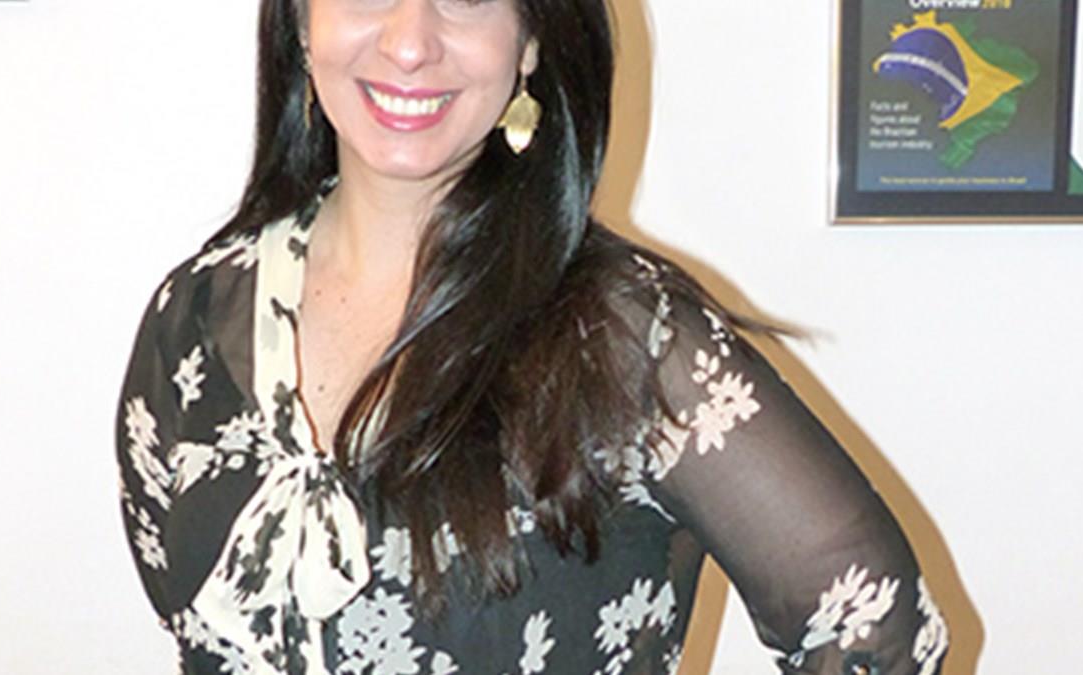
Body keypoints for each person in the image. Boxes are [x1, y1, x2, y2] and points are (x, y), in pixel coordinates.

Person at [115, 1, 950, 673]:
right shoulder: (197, 319)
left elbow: (877, 626)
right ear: (302, 21)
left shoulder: (624, 337)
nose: (410, 41)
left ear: (531, 42)